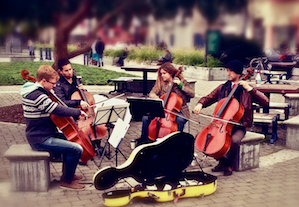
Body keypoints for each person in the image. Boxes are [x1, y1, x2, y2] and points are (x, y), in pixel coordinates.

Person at [193, 60, 269, 176]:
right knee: (203, 139)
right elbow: (208, 98)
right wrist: (200, 104)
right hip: (221, 124)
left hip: (240, 125)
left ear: (238, 73)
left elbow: (265, 102)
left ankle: (229, 164)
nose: (228, 73)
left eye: (231, 71)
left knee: (234, 140)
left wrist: (250, 89)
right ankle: (222, 161)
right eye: (228, 71)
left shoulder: (246, 89)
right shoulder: (222, 87)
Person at [19, 65, 87, 190]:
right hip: (39, 139)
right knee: (76, 149)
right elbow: (56, 108)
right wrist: (77, 112)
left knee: (70, 140)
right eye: (52, 83)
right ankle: (67, 181)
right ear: (43, 81)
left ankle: (67, 174)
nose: (54, 86)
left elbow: (56, 104)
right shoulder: (36, 95)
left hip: (45, 133)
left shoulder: (39, 91)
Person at [137, 62, 195, 146]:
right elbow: (152, 93)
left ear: (171, 73)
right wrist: (159, 99)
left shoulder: (182, 82)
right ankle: (144, 141)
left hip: (180, 110)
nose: (162, 75)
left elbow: (192, 94)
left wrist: (181, 86)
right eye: (161, 74)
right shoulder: (161, 83)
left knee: (179, 120)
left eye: (164, 73)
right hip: (163, 108)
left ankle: (177, 143)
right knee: (146, 117)